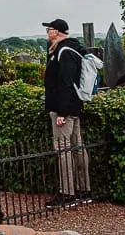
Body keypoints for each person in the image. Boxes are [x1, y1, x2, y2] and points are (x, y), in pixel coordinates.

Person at [43, 18, 91, 203]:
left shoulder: (63, 52)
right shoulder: (74, 48)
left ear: (58, 32)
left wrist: (61, 112)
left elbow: (65, 83)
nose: (48, 32)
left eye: (50, 29)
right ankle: (83, 190)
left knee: (63, 149)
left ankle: (68, 193)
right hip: (75, 106)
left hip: (64, 108)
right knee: (77, 148)